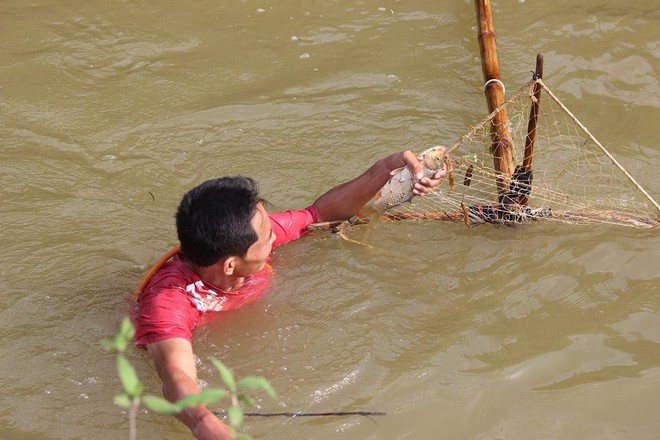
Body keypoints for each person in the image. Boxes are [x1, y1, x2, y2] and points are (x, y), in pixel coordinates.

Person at [132, 149, 446, 440]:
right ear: (231, 265)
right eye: (267, 238)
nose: (275, 236)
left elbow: (319, 213)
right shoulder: (170, 301)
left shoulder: (250, 240)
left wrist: (384, 170)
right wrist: (206, 425)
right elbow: (175, 376)